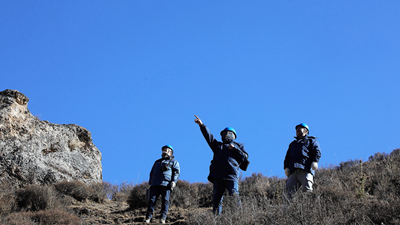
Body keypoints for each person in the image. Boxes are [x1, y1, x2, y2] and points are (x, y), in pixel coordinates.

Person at [194, 115, 248, 215]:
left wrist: (235, 149)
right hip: (218, 176)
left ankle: (239, 217)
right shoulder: (217, 146)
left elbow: (245, 157)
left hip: (231, 175)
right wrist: (201, 125)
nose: (227, 135)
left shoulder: (239, 145)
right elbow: (209, 137)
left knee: (234, 195)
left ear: (234, 136)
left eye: (229, 133)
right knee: (216, 200)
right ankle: (216, 220)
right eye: (225, 133)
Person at [284, 123, 321, 198]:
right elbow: (287, 157)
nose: (297, 130)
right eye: (296, 129)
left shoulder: (311, 141)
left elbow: (317, 151)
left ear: (306, 131)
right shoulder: (292, 144)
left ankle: (308, 207)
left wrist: (315, 161)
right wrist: (286, 167)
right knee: (288, 192)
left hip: (305, 169)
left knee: (307, 189)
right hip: (293, 171)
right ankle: (287, 209)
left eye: (299, 129)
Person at [145, 145, 180, 224]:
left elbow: (176, 173)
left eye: (166, 150)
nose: (164, 151)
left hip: (166, 184)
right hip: (155, 184)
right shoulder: (157, 162)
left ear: (170, 152)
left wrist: (174, 181)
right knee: (151, 201)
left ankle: (162, 218)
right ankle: (148, 218)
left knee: (165, 201)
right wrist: (151, 182)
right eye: (163, 150)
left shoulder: (174, 162)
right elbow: (151, 173)